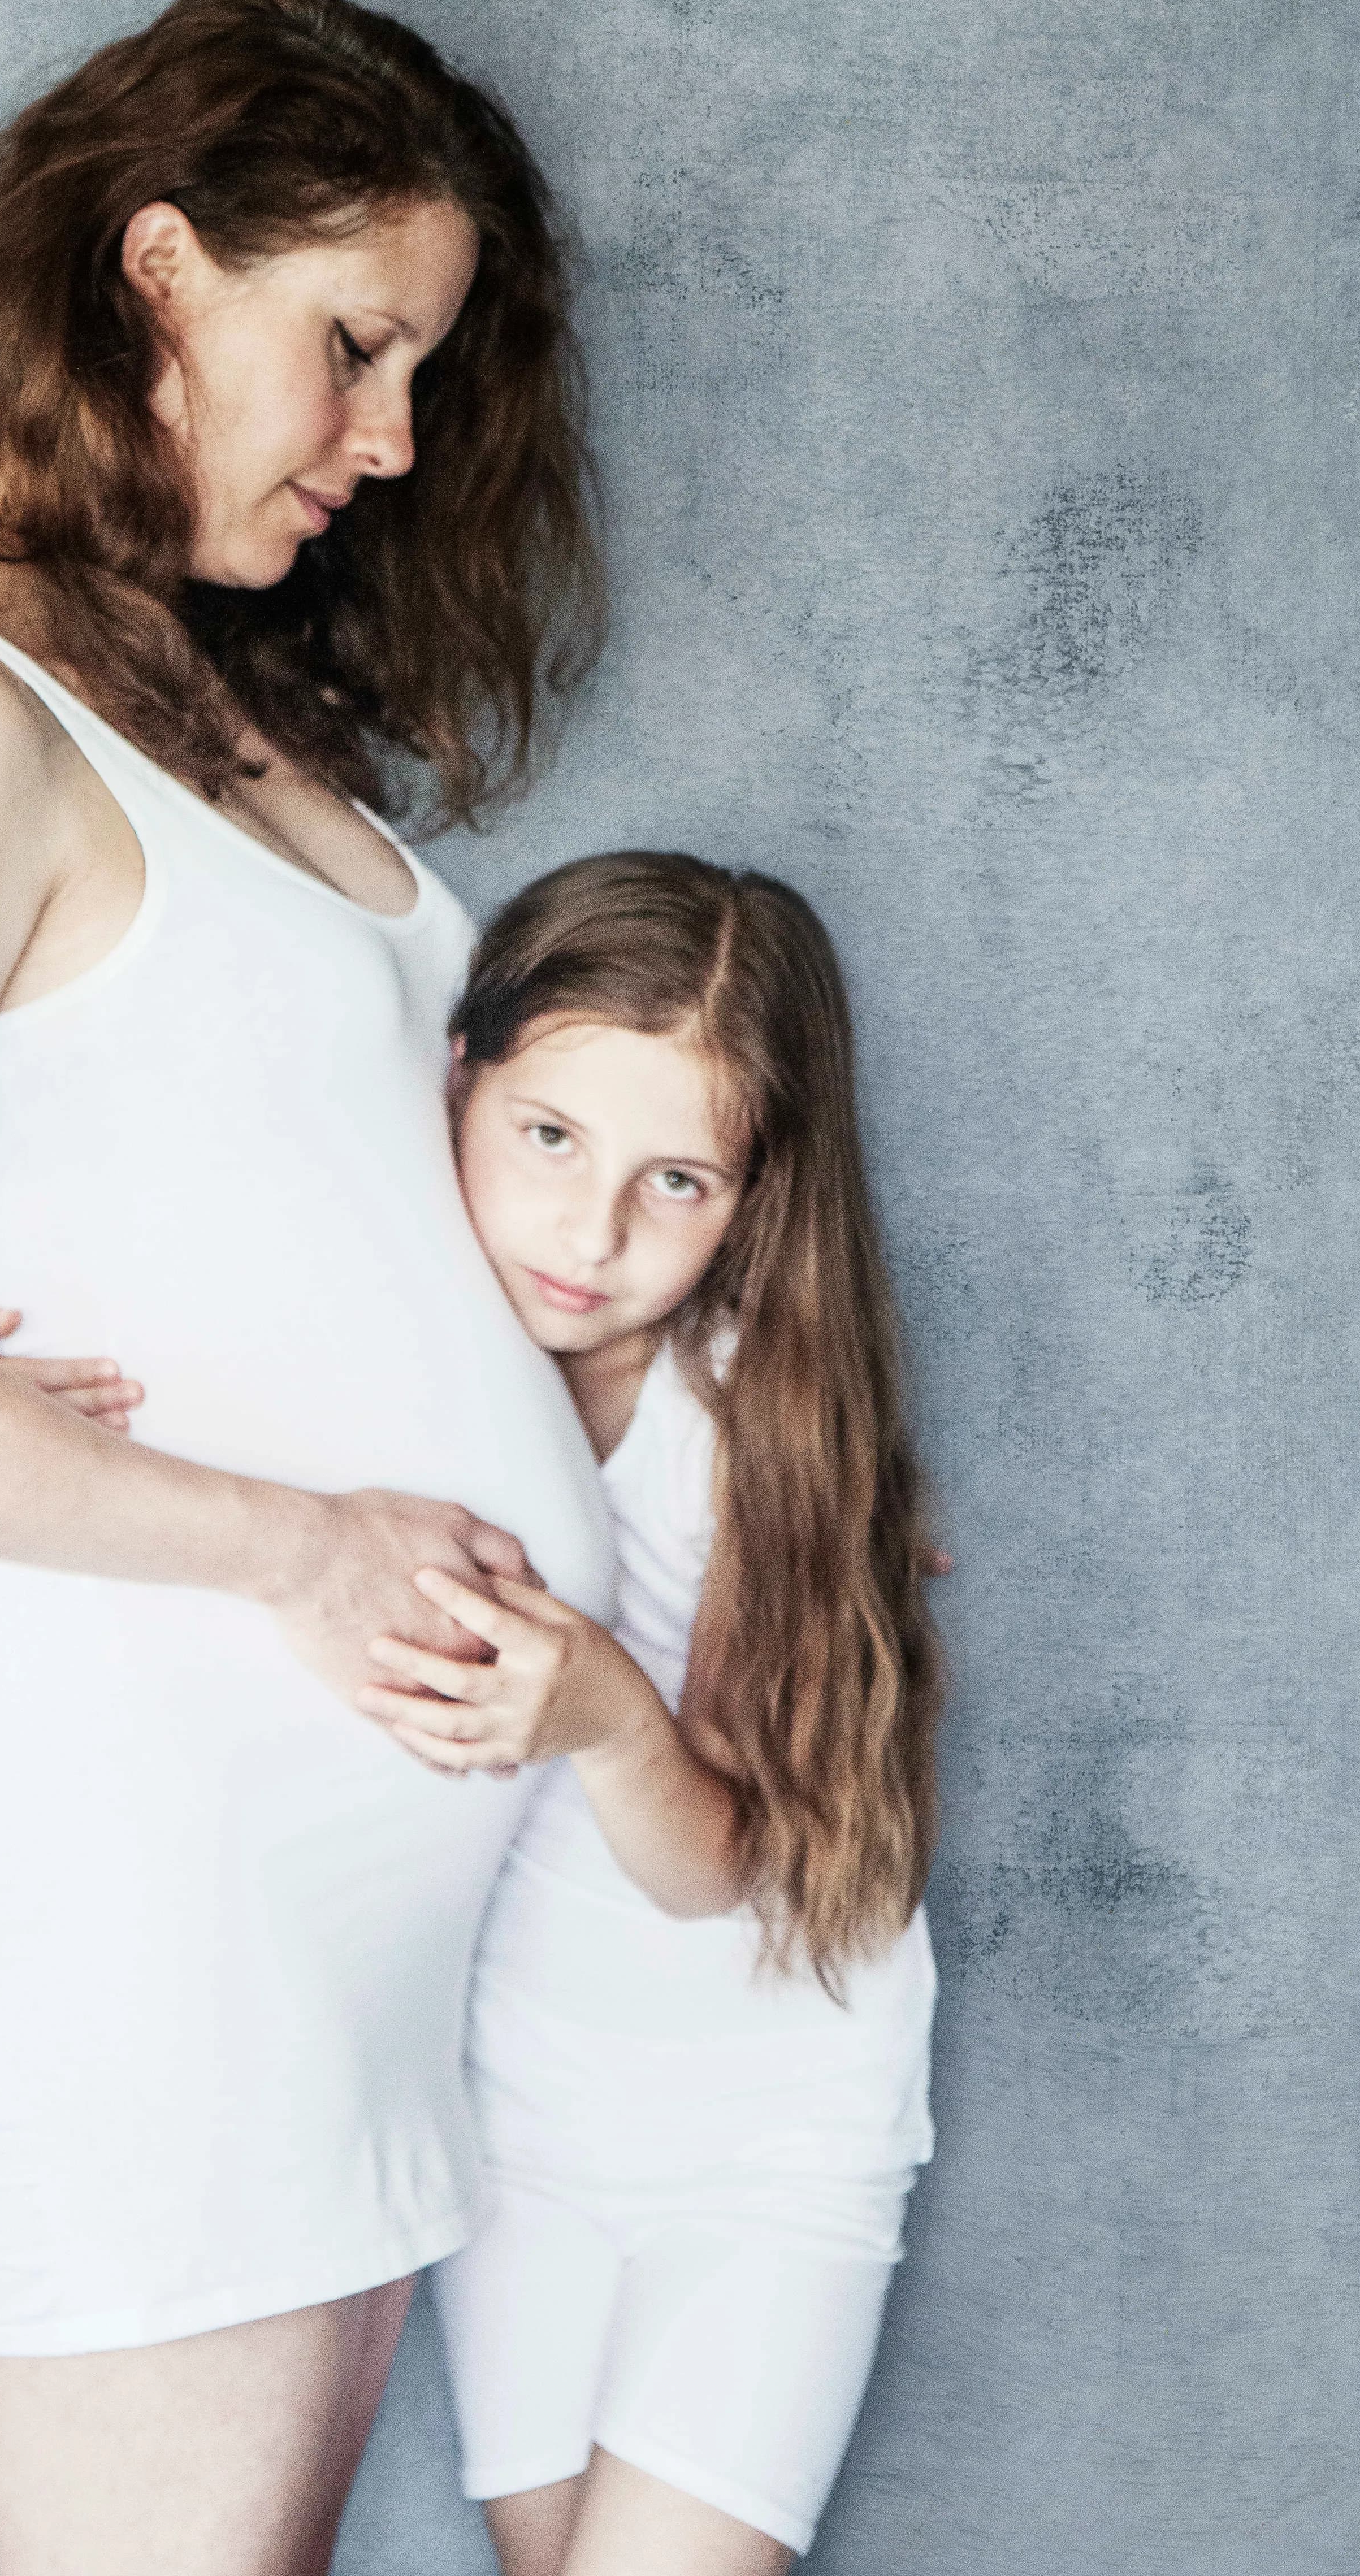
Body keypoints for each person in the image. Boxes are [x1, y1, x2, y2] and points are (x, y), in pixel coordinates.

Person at [0, 0, 616, 2576]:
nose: (395, 441)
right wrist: (315, 1544)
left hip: (316, 1887)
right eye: (354, 348)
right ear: (160, 267)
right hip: (145, 1869)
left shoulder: (188, 701)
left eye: (423, 373)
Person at [374, 855, 946, 2574]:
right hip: (514, 2129)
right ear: (460, 1076)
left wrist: (610, 1707)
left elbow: (721, 1873)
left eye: (675, 1181)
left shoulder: (750, 1427)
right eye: (551, 1138)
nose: (590, 1233)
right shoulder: (402, 1333)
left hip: (767, 2142)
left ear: (755, 1197)